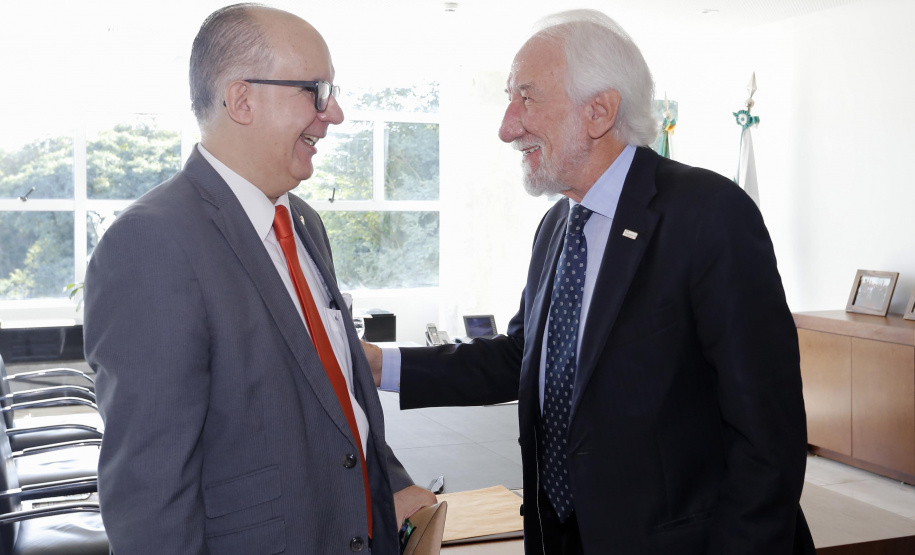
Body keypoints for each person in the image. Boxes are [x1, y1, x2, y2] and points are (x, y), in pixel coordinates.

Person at [364, 9, 815, 555]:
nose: (507, 127)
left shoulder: (708, 215)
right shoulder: (558, 224)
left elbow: (769, 435)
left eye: (526, 98)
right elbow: (521, 358)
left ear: (599, 110)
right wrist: (380, 365)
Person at [83, 4, 434, 553]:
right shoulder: (151, 244)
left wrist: (391, 482)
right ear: (242, 99)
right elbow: (149, 497)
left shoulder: (303, 222)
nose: (334, 113)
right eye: (315, 91)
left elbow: (335, 389)